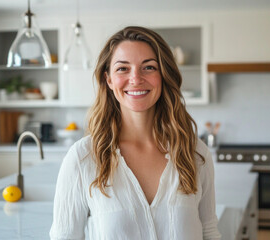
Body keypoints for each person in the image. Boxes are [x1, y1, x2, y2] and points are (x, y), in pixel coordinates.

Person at [50, 26, 221, 240]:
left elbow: (209, 232)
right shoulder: (83, 158)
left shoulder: (195, 153)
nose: (136, 78)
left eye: (149, 67)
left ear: (163, 75)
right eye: (123, 68)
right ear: (109, 79)